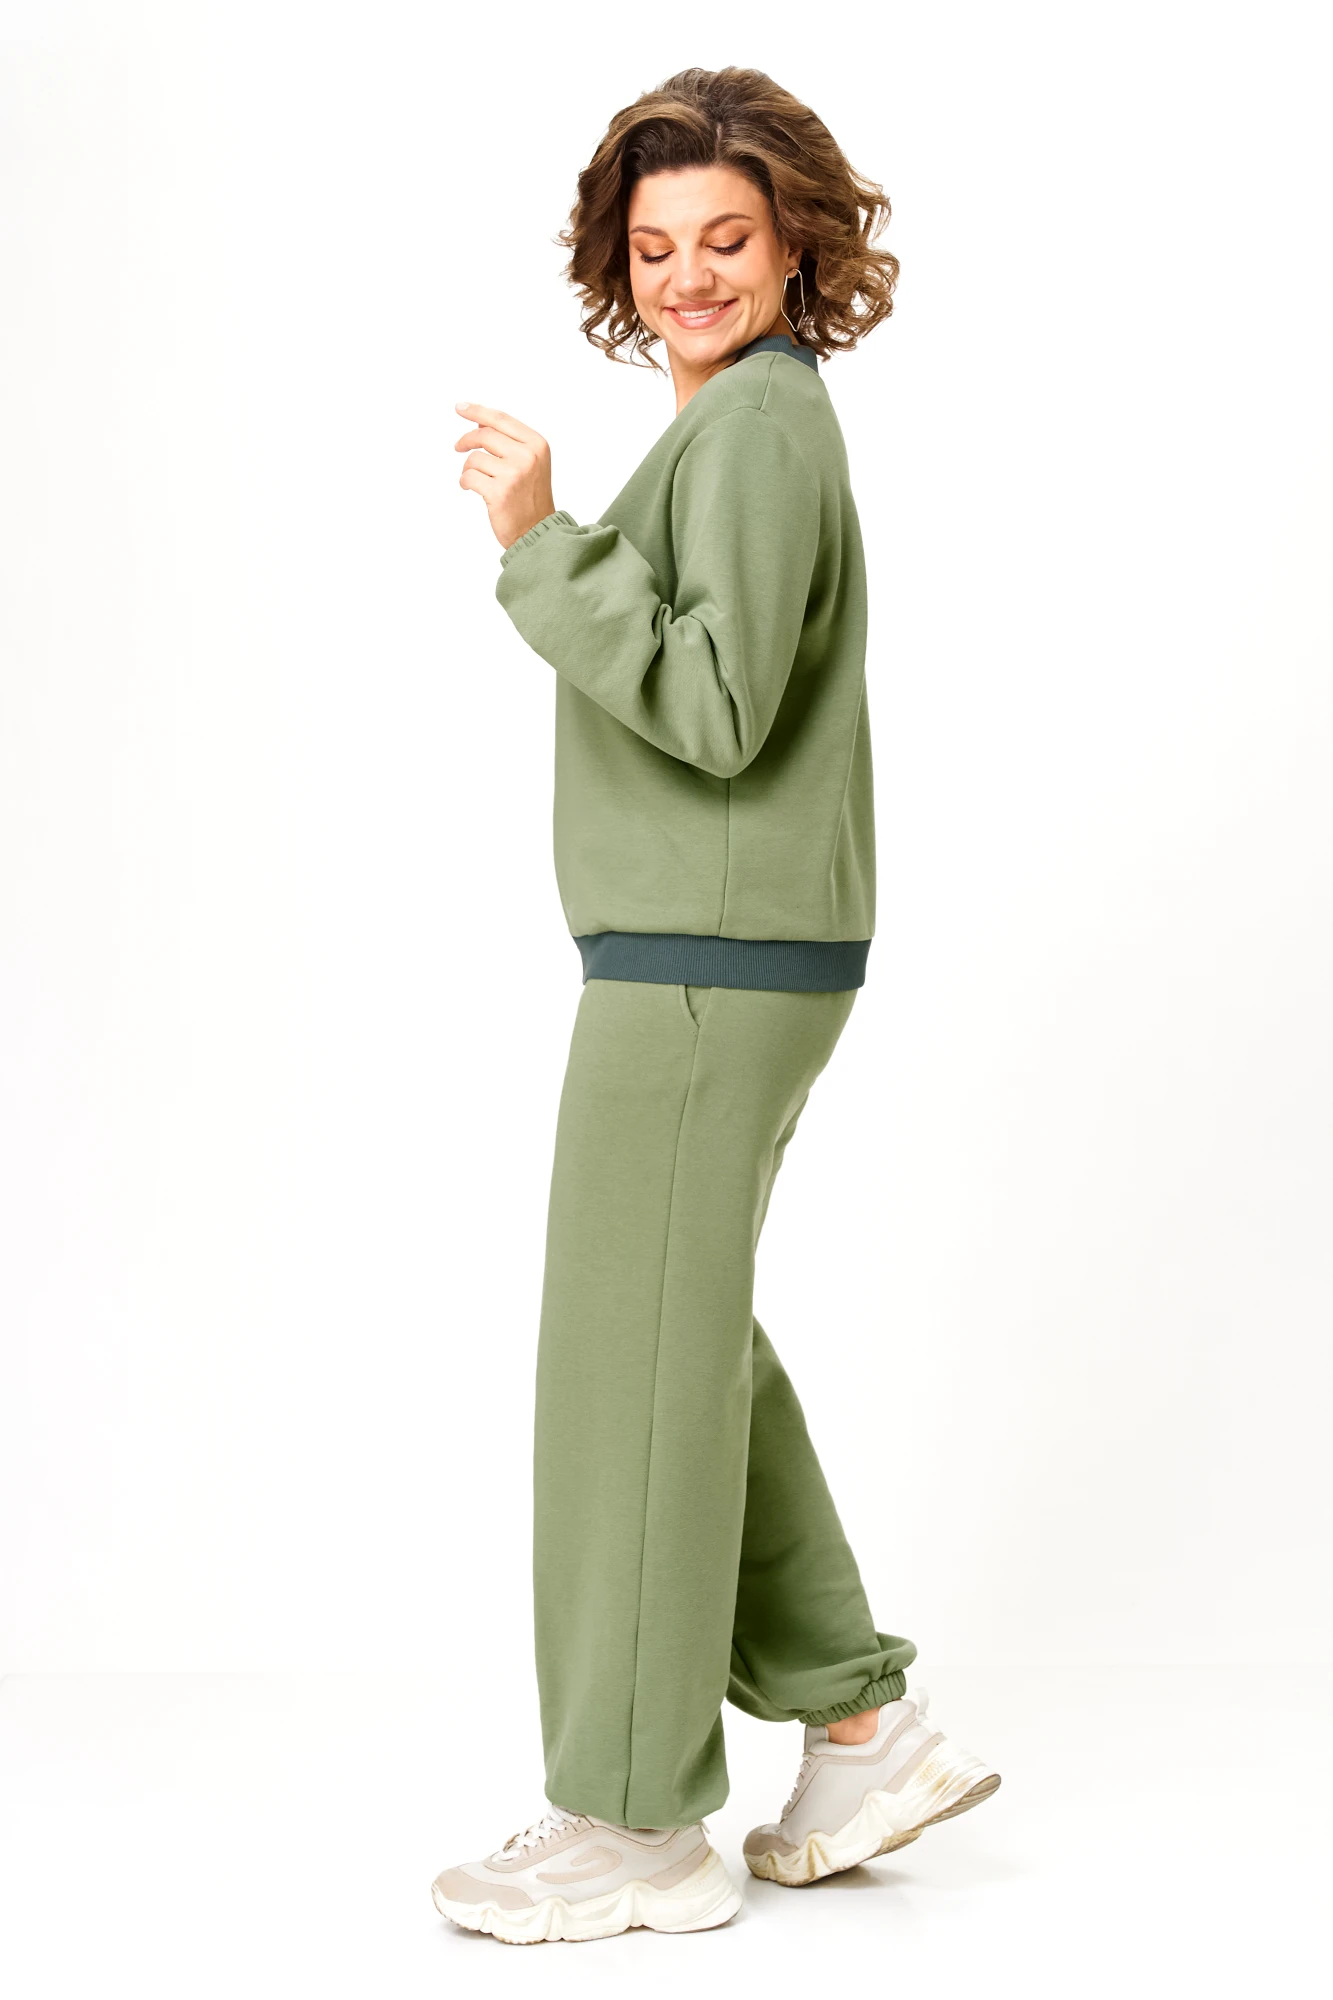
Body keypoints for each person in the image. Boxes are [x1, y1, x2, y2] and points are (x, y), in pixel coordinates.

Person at [433, 66, 1000, 1946]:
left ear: (796, 245)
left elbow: (722, 704)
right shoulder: (745, 419)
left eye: (727, 239)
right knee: (678, 1343)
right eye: (656, 244)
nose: (688, 275)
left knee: (626, 1370)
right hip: (722, 949)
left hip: (702, 958)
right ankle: (858, 1720)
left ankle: (631, 1821)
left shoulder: (756, 427)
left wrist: (538, 543)